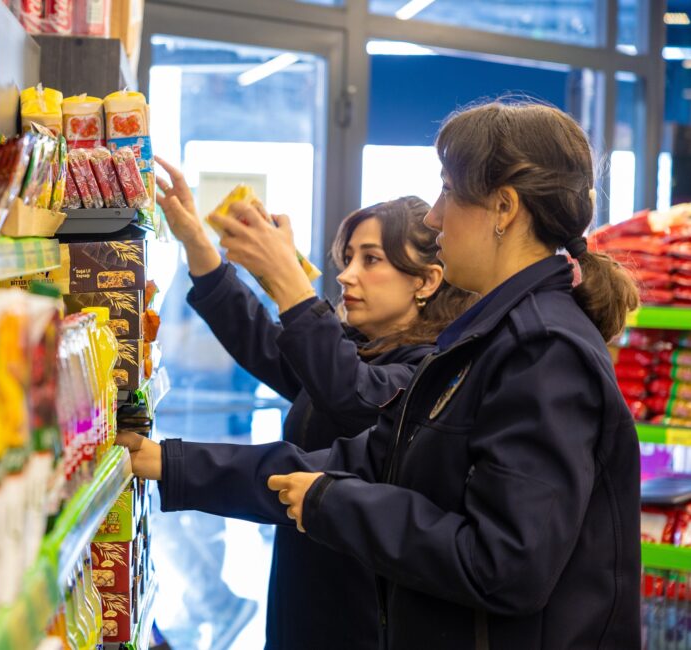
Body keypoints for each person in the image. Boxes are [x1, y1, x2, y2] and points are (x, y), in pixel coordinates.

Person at [124, 101, 642, 649]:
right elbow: (368, 458)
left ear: (504, 208)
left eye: (447, 189)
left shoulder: (541, 350)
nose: (435, 215)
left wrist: (334, 502)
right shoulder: (483, 341)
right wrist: (170, 462)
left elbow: (506, 565)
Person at [152, 159, 474, 649]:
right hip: (305, 594)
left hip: (359, 616)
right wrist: (197, 241)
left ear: (426, 281)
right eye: (346, 257)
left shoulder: (430, 372)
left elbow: (352, 398)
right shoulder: (365, 351)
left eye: (371, 260)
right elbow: (264, 342)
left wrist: (288, 282)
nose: (346, 275)